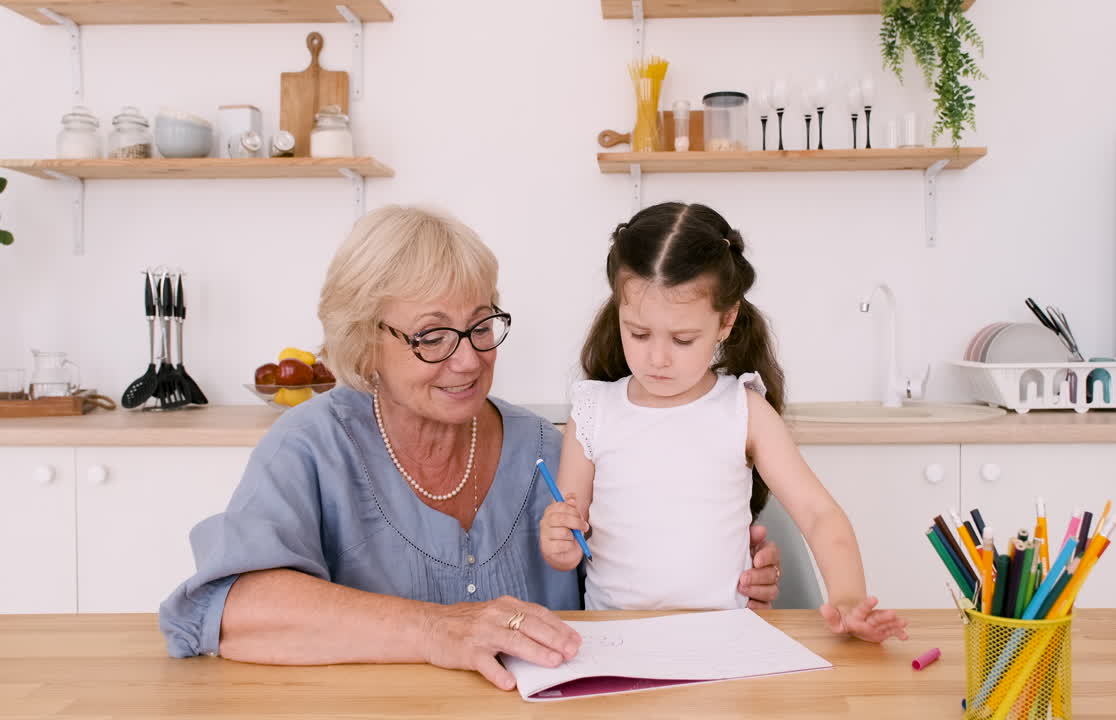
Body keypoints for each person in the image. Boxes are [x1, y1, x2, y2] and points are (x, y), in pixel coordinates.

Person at [158, 205, 784, 691]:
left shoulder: (549, 448)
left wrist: (720, 572)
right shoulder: (312, 445)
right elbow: (232, 611)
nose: (467, 359)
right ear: (363, 340)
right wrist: (437, 629)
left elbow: (632, 580)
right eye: (432, 335)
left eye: (482, 326)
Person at [539, 202, 908, 643]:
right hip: (616, 642)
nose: (656, 358)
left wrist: (849, 598)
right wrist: (557, 542)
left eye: (682, 339)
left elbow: (818, 513)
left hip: (725, 640)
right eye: (638, 333)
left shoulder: (744, 410)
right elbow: (569, 536)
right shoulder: (593, 412)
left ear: (725, 321)